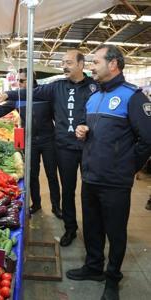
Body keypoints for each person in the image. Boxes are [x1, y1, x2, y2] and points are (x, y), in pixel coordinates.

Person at [67, 45, 151, 300]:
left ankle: (112, 278)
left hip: (115, 181)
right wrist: (82, 130)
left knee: (115, 232)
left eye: (96, 61)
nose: (92, 66)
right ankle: (94, 267)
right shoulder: (93, 97)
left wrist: (127, 167)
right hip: (91, 175)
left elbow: (147, 139)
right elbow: (91, 130)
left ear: (113, 64)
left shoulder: (133, 97)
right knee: (92, 227)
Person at [0, 50, 97, 247]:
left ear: (81, 64)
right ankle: (70, 228)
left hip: (90, 147)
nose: (65, 65)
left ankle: (93, 232)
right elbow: (31, 92)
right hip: (65, 147)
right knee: (68, 190)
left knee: (90, 192)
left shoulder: (95, 87)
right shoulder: (56, 87)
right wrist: (7, 93)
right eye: (63, 62)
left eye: (69, 62)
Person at [0, 68, 62, 219]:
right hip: (29, 140)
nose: (18, 84)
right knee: (31, 175)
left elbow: (58, 113)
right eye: (17, 80)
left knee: (52, 174)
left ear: (31, 79)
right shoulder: (18, 97)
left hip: (48, 140)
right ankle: (36, 204)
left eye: (22, 80)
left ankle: (56, 207)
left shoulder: (45, 95)